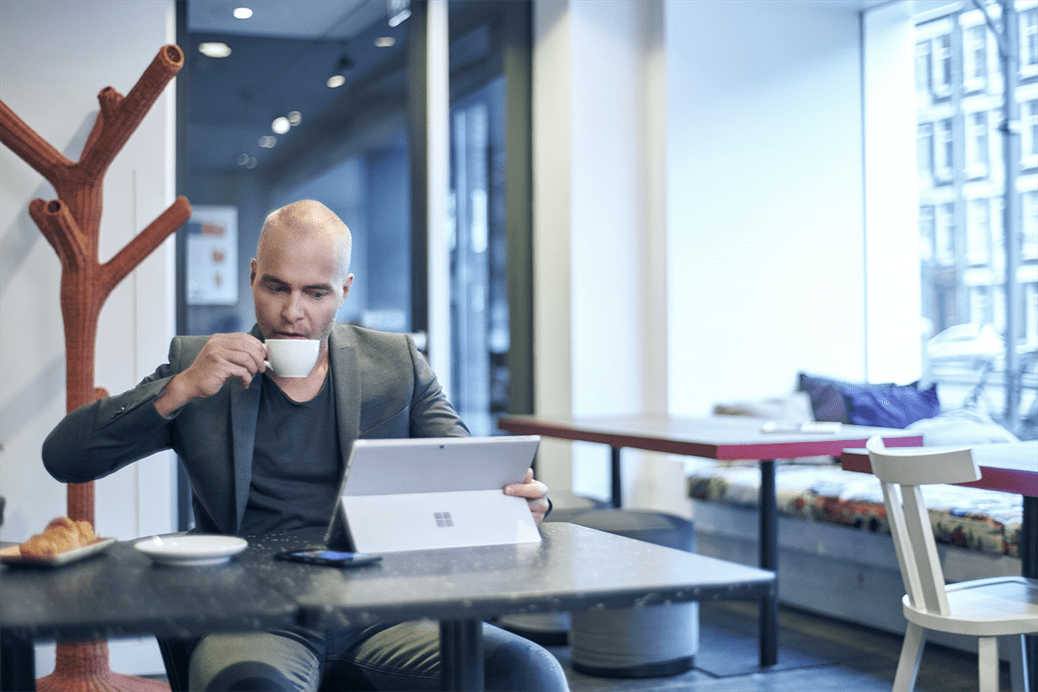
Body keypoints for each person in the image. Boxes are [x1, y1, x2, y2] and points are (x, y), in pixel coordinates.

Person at [42, 199, 568, 692]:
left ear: (345, 289)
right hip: (252, 617)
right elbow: (63, 458)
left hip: (382, 613)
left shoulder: (395, 363)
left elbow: (467, 473)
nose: (293, 312)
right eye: (276, 287)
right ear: (252, 277)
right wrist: (176, 391)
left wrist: (523, 499)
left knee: (530, 671)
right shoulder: (199, 364)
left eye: (316, 293)